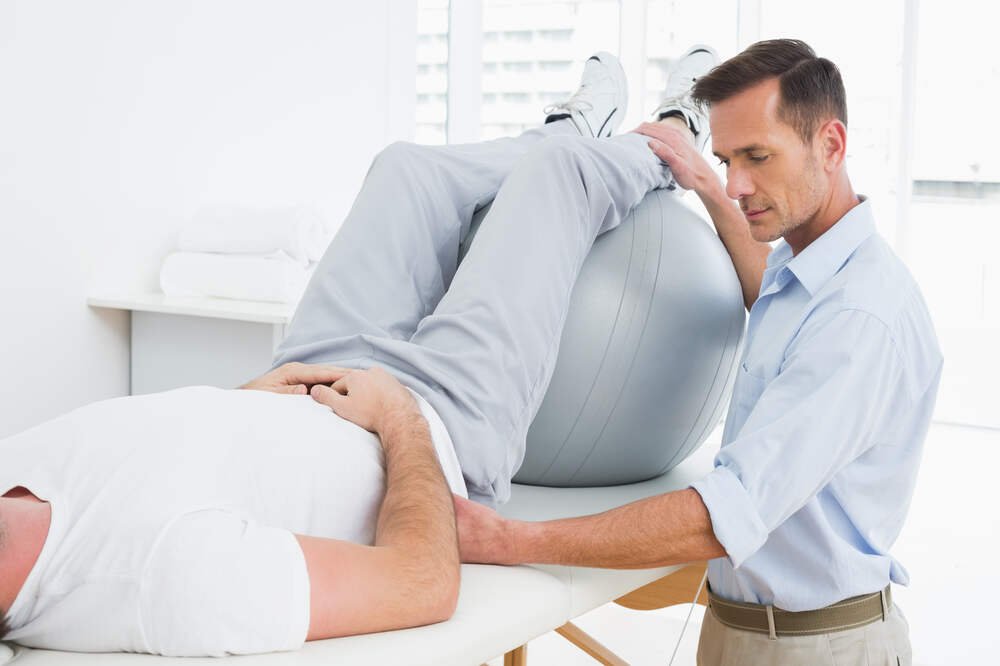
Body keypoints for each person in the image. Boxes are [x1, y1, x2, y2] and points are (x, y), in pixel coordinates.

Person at [0, 46, 714, 656]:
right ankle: (676, 136)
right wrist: (399, 418)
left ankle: (563, 130)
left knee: (405, 169)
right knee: (559, 174)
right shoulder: (151, 582)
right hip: (433, 423)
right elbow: (421, 584)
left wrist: (248, 396)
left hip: (306, 375)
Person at [455, 39, 942, 666]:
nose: (739, 184)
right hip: (746, 630)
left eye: (757, 157)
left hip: (815, 648)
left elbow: (725, 514)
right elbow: (774, 298)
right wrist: (705, 185)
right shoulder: (812, 269)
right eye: (727, 159)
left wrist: (511, 540)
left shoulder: (859, 317)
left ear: (830, 145)